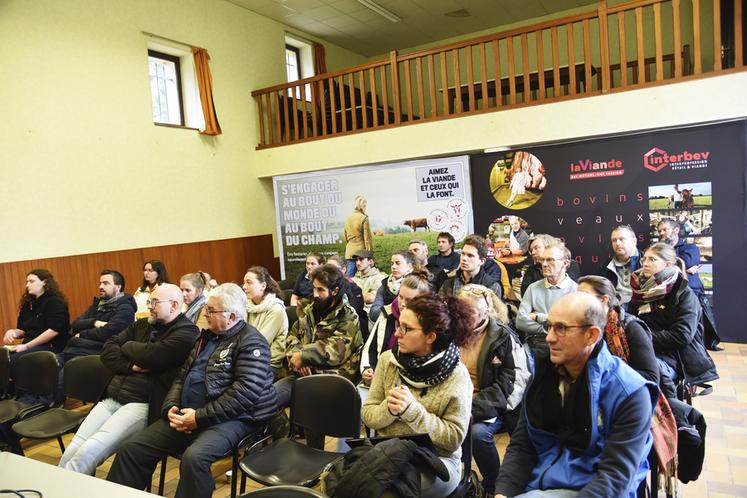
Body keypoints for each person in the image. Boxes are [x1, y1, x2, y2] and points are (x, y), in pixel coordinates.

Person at [107, 284, 278, 498]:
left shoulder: (252, 342)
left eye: (211, 311)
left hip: (235, 418)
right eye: (206, 309)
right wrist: (171, 406)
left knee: (194, 458)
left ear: (232, 315)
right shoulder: (204, 338)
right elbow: (182, 377)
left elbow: (244, 394)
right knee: (132, 449)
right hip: (189, 413)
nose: (204, 314)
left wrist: (198, 417)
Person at [494, 293, 658, 498]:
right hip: (539, 485)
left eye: (561, 328)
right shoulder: (543, 376)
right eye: (549, 326)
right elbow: (522, 445)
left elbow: (614, 480)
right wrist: (503, 492)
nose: (549, 337)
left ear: (591, 335)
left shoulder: (630, 393)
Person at [58, 284, 199, 474]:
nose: (149, 306)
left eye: (155, 302)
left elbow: (151, 356)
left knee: (88, 451)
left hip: (141, 404)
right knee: (73, 449)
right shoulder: (143, 324)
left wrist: (127, 346)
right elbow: (107, 349)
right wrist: (130, 365)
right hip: (112, 397)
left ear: (174, 305)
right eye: (149, 301)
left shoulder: (187, 333)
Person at [361, 293, 473, 498]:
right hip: (386, 453)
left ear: (431, 336)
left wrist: (412, 412)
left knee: (385, 492)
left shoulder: (457, 375)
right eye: (398, 325)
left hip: (436, 461)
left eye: (407, 329)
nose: (397, 334)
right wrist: (389, 409)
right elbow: (368, 415)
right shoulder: (388, 360)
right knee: (348, 480)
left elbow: (453, 439)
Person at [457, 284, 529, 496]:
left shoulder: (503, 337)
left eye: (470, 312)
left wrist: (474, 408)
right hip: (454, 402)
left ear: (486, 312)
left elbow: (514, 381)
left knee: (477, 435)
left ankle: (493, 484)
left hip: (488, 406)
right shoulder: (450, 333)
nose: (463, 316)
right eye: (460, 310)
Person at [629, 243, 718, 398]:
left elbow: (681, 336)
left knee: (637, 379)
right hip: (644, 349)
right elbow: (632, 322)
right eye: (644, 259)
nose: (645, 263)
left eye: (652, 259)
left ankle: (671, 416)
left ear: (668, 265)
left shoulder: (684, 294)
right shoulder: (639, 291)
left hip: (675, 357)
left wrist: (640, 336)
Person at [275, 264, 362, 411]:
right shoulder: (309, 309)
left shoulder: (348, 316)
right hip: (303, 372)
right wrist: (297, 357)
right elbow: (293, 336)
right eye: (314, 288)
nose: (315, 294)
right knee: (267, 398)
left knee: (302, 405)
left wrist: (304, 356)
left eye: (321, 289)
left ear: (335, 291)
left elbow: (336, 351)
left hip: (333, 377)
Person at [359, 270, 432, 403]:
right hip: (378, 381)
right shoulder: (387, 314)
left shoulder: (428, 325)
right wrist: (367, 370)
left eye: (409, 300)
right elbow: (370, 348)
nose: (402, 303)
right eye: (401, 297)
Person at [577, 276, 659, 383]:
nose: (577, 301)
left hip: (626, 393)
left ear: (603, 299)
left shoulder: (631, 327)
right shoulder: (578, 326)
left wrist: (603, 374)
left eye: (583, 296)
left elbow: (651, 377)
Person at [657, 218, 722, 351]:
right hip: (665, 292)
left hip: (691, 291)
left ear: (676, 230)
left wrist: (676, 266)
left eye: (665, 230)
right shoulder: (658, 250)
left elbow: (687, 262)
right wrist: (683, 268)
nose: (661, 233)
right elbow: (658, 268)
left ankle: (695, 348)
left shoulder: (690, 248)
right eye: (659, 231)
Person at [59, 269, 136, 361]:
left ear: (118, 287)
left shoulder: (125, 308)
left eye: (105, 283)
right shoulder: (97, 305)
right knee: (47, 365)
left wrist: (82, 334)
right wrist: (94, 322)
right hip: (75, 349)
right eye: (100, 283)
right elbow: (76, 324)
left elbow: (109, 333)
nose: (100, 286)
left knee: (65, 371)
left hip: (97, 353)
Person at [516, 241, 578, 348]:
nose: (544, 264)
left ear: (565, 263)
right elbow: (520, 321)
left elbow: (572, 326)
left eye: (550, 260)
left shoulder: (576, 291)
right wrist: (550, 328)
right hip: (536, 347)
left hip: (567, 347)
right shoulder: (533, 288)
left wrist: (538, 316)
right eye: (542, 260)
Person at [3, 269, 70, 364]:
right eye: (27, 282)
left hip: (50, 346)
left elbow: (53, 331)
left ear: (45, 282)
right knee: (3, 357)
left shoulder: (55, 302)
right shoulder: (28, 304)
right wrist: (12, 333)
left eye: (32, 281)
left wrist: (26, 346)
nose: (27, 285)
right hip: (30, 345)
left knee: (12, 360)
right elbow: (22, 330)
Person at [243, 266, 289, 375]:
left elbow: (259, 342)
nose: (244, 287)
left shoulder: (276, 309)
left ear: (263, 286)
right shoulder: (246, 306)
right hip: (248, 359)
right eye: (244, 283)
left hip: (268, 363)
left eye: (249, 283)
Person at [440, 234, 503, 299]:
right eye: (463, 253)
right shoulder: (449, 284)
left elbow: (493, 309)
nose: (464, 258)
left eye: (470, 255)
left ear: (482, 261)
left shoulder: (491, 286)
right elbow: (440, 308)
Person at [327, 254, 368, 339]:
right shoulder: (324, 289)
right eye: (326, 269)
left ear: (343, 270)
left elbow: (352, 314)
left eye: (333, 269)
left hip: (349, 332)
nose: (328, 273)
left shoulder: (354, 290)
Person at [369, 250, 415, 323]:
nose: (393, 267)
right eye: (392, 263)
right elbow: (373, 314)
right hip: (386, 329)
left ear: (409, 266)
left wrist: (384, 310)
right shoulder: (385, 284)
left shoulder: (416, 285)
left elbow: (409, 314)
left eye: (398, 263)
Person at [601, 225, 641, 307]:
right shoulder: (605, 267)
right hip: (613, 312)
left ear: (634, 241)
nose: (617, 243)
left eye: (621, 239)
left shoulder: (646, 263)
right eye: (614, 240)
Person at [343, 195, 373, 277]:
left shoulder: (347, 218)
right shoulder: (364, 218)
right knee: (365, 276)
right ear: (362, 206)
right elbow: (367, 240)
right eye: (365, 206)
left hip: (349, 252)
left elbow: (346, 237)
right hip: (361, 253)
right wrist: (370, 255)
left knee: (349, 278)